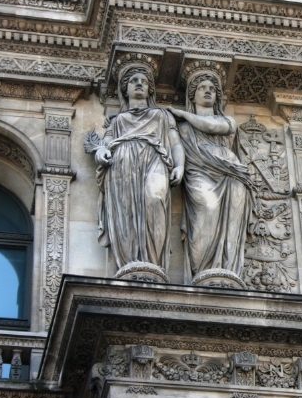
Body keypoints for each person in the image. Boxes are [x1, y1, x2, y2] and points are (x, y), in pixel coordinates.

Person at [95, 65, 184, 273]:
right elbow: (105, 142)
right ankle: (131, 263)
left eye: (144, 82)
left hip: (155, 158)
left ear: (150, 89)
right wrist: (100, 151)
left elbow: (176, 143)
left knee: (154, 200)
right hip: (122, 163)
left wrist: (179, 165)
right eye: (134, 81)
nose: (139, 84)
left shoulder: (161, 115)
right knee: (125, 211)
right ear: (125, 89)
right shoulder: (118, 120)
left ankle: (152, 263)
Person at [167, 71, 253, 281]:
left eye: (212, 89)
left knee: (231, 227)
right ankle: (204, 273)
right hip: (198, 174)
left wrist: (184, 115)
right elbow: (176, 147)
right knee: (205, 211)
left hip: (232, 175)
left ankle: (227, 270)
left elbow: (213, 127)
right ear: (192, 95)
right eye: (202, 88)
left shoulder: (226, 120)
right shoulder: (182, 128)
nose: (208, 91)